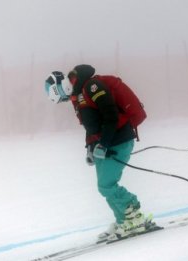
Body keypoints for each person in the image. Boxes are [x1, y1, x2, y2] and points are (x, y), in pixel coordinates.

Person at [44, 64, 151, 241]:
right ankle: (123, 220)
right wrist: (90, 147)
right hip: (106, 143)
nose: (66, 100)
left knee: (106, 185)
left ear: (61, 87)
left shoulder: (92, 87)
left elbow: (111, 116)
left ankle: (135, 218)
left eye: (62, 97)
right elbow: (91, 125)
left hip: (118, 140)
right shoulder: (78, 96)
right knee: (104, 186)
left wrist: (104, 144)